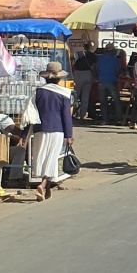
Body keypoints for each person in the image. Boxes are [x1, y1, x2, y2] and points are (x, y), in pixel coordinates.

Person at [30, 64, 75, 201]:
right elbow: (66, 116)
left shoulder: (38, 92)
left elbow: (30, 113)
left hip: (39, 128)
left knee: (42, 157)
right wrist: (69, 135)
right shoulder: (64, 93)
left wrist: (24, 134)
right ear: (59, 78)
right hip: (57, 129)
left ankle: (47, 190)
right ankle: (43, 184)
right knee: (51, 158)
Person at [94, 44, 123, 125]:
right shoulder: (116, 60)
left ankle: (105, 120)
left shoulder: (100, 59)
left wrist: (98, 77)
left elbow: (96, 69)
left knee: (103, 102)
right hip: (112, 81)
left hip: (101, 81)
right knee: (116, 101)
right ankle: (119, 119)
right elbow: (118, 70)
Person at [72, 42, 96, 120]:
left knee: (75, 94)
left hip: (79, 74)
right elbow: (94, 66)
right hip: (89, 74)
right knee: (85, 96)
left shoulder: (78, 54)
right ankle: (83, 114)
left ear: (84, 47)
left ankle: (73, 112)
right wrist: (95, 76)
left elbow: (73, 64)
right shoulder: (93, 55)